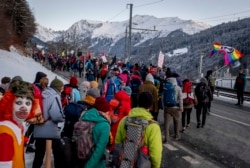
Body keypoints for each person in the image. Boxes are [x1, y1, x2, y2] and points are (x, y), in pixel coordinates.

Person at [115, 92, 162, 168]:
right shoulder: (153, 127)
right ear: (150, 106)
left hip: (124, 163)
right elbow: (155, 154)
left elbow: (118, 143)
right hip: (142, 164)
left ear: (138, 103)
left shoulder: (124, 120)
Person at [0, 80, 39, 168]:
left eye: (28, 103)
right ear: (9, 104)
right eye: (18, 102)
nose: (24, 108)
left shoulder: (17, 127)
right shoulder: (5, 134)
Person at [32, 78, 65, 168]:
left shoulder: (42, 93)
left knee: (38, 156)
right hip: (50, 131)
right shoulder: (55, 96)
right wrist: (63, 118)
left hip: (39, 129)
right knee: (58, 153)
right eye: (62, 88)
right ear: (58, 87)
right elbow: (56, 115)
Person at [80, 97, 111, 168]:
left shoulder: (84, 116)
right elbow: (100, 150)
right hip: (96, 164)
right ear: (104, 111)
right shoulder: (104, 125)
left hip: (81, 157)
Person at [26, 72, 48, 153]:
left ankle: (26, 142)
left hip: (35, 109)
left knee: (32, 127)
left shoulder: (34, 86)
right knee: (35, 127)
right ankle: (29, 144)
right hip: (37, 110)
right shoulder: (38, 87)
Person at [163, 77, 183, 143]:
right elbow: (180, 98)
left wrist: (164, 107)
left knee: (167, 124)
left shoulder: (166, 87)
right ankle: (177, 136)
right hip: (176, 108)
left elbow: (163, 98)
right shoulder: (178, 88)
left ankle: (166, 139)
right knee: (177, 122)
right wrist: (181, 107)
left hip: (167, 108)